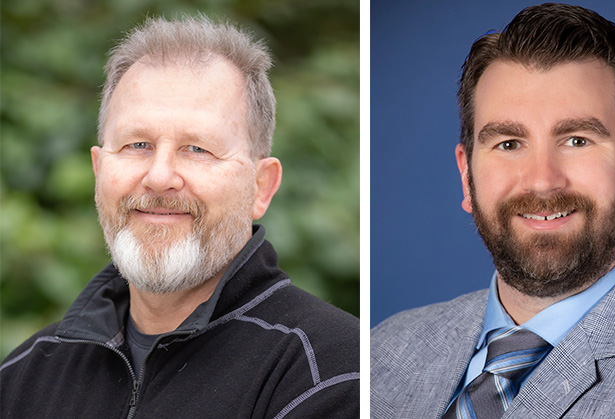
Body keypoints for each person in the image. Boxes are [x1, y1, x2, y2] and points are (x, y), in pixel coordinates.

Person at [371, 3, 615, 418]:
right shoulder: (385, 351)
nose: (542, 181)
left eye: (577, 140)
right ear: (466, 177)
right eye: (508, 144)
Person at [1, 16, 359, 418]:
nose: (159, 177)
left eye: (196, 149)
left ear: (261, 187)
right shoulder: (22, 378)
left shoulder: (332, 375)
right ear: (99, 170)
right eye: (138, 144)